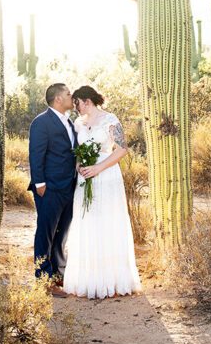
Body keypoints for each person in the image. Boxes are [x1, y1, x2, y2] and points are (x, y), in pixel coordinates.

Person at [63, 85, 141, 300]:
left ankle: (111, 280)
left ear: (87, 101)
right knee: (88, 221)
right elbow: (78, 150)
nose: (75, 107)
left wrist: (98, 168)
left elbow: (123, 149)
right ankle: (89, 279)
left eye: (77, 103)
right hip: (85, 177)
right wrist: (79, 164)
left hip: (106, 176)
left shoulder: (110, 120)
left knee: (107, 222)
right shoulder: (79, 123)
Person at [28, 83, 77, 296]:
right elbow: (36, 154)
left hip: (69, 186)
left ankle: (58, 274)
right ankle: (44, 279)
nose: (71, 96)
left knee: (61, 233)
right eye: (68, 94)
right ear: (58, 99)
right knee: (45, 233)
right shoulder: (41, 122)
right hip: (49, 188)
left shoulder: (70, 122)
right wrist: (39, 184)